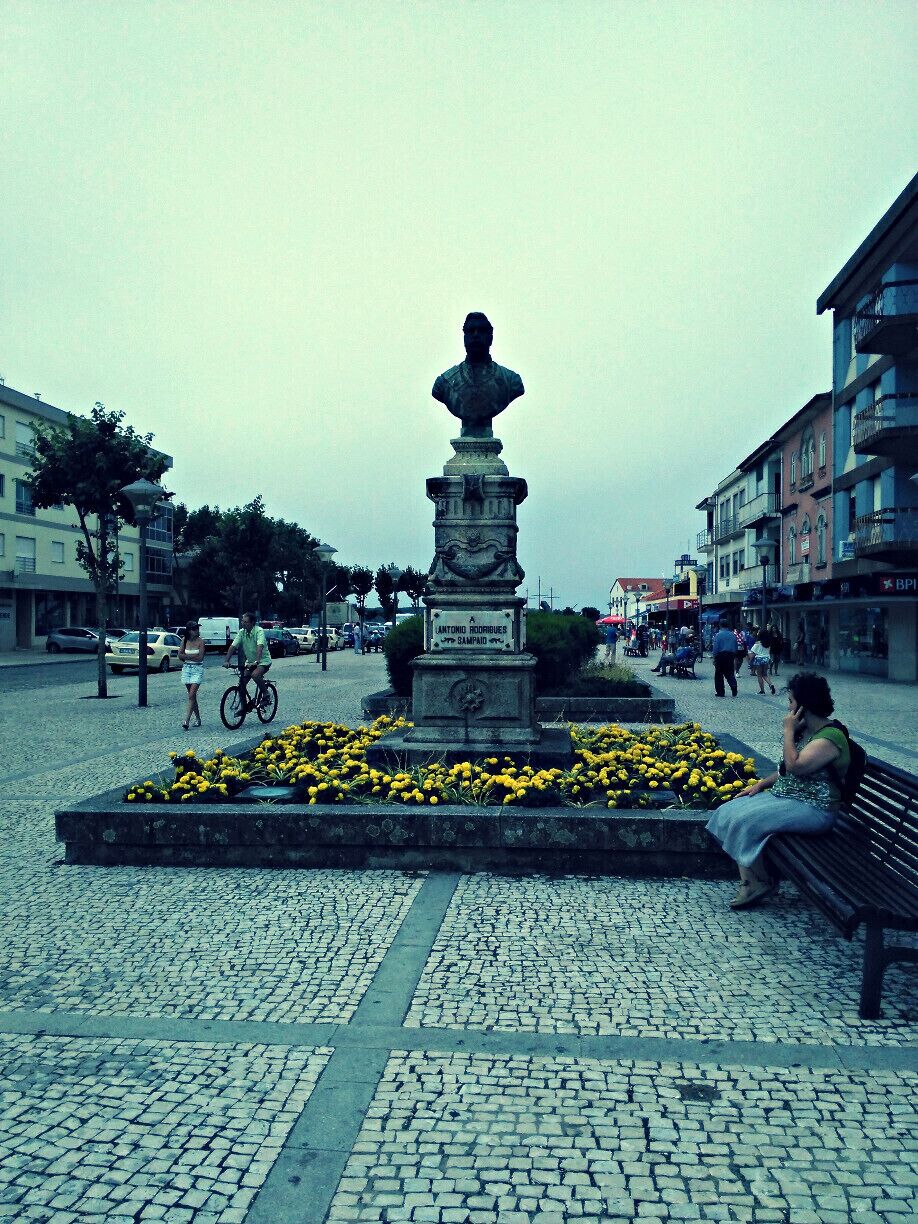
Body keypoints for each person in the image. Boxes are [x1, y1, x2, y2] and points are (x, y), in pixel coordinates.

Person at [706, 672, 849, 908]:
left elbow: (796, 766)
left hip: (816, 809)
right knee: (728, 811)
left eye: (791, 703)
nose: (789, 709)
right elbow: (786, 770)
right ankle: (757, 878)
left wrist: (788, 730)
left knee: (746, 821)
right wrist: (761, 784)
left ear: (804, 707)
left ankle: (756, 883)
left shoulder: (830, 738)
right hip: (791, 798)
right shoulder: (809, 732)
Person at [223, 612, 271, 708]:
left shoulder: (259, 631)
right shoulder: (242, 632)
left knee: (255, 675)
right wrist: (226, 661)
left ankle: (266, 694)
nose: (243, 623)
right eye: (242, 621)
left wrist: (256, 662)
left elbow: (259, 646)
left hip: (263, 661)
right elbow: (233, 646)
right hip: (249, 663)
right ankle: (244, 707)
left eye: (246, 622)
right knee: (242, 684)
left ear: (252, 622)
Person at [178, 619, 205, 730]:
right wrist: (191, 657)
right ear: (189, 631)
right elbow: (179, 655)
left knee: (191, 694)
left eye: (197, 628)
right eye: (194, 629)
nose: (196, 631)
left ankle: (186, 720)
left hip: (197, 670)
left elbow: (200, 658)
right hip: (187, 669)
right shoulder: (184, 640)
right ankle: (198, 719)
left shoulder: (201, 641)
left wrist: (187, 656)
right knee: (192, 696)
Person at [712, 622, 739, 697]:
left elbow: (716, 647)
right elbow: (736, 646)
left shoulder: (718, 635)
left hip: (721, 656)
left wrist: (714, 657)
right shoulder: (732, 635)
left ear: (720, 625)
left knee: (719, 674)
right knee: (730, 673)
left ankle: (720, 692)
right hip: (730, 655)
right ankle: (734, 687)